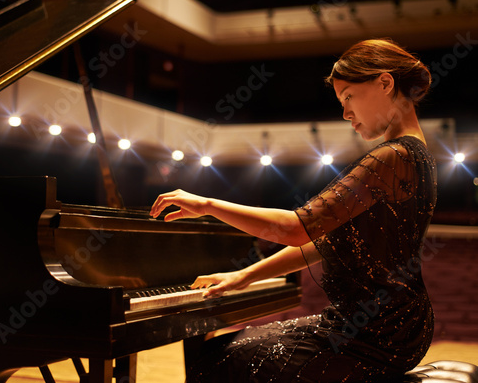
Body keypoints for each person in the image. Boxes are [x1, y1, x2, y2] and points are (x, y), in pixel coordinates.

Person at [150, 38, 437, 383]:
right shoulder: (414, 154)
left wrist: (208, 204)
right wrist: (242, 276)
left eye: (348, 97)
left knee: (217, 360)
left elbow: (298, 228)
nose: (346, 113)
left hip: (376, 333)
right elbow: (322, 241)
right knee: (221, 350)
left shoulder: (393, 157)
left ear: (385, 83)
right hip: (388, 324)